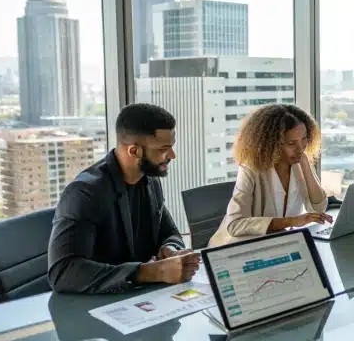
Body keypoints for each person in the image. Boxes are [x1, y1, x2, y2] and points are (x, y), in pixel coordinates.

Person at [48, 103, 200, 294]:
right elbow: (63, 272)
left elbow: (169, 232)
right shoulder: (84, 192)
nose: (172, 155)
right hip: (96, 306)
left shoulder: (150, 181)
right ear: (134, 151)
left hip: (139, 301)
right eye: (163, 149)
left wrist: (170, 249)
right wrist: (153, 272)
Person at [208, 104, 331, 247]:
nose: (301, 148)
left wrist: (306, 167)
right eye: (291, 143)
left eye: (304, 139)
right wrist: (292, 221)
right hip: (237, 249)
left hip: (275, 245)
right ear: (272, 144)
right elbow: (235, 225)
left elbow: (319, 208)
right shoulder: (251, 169)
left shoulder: (299, 160)